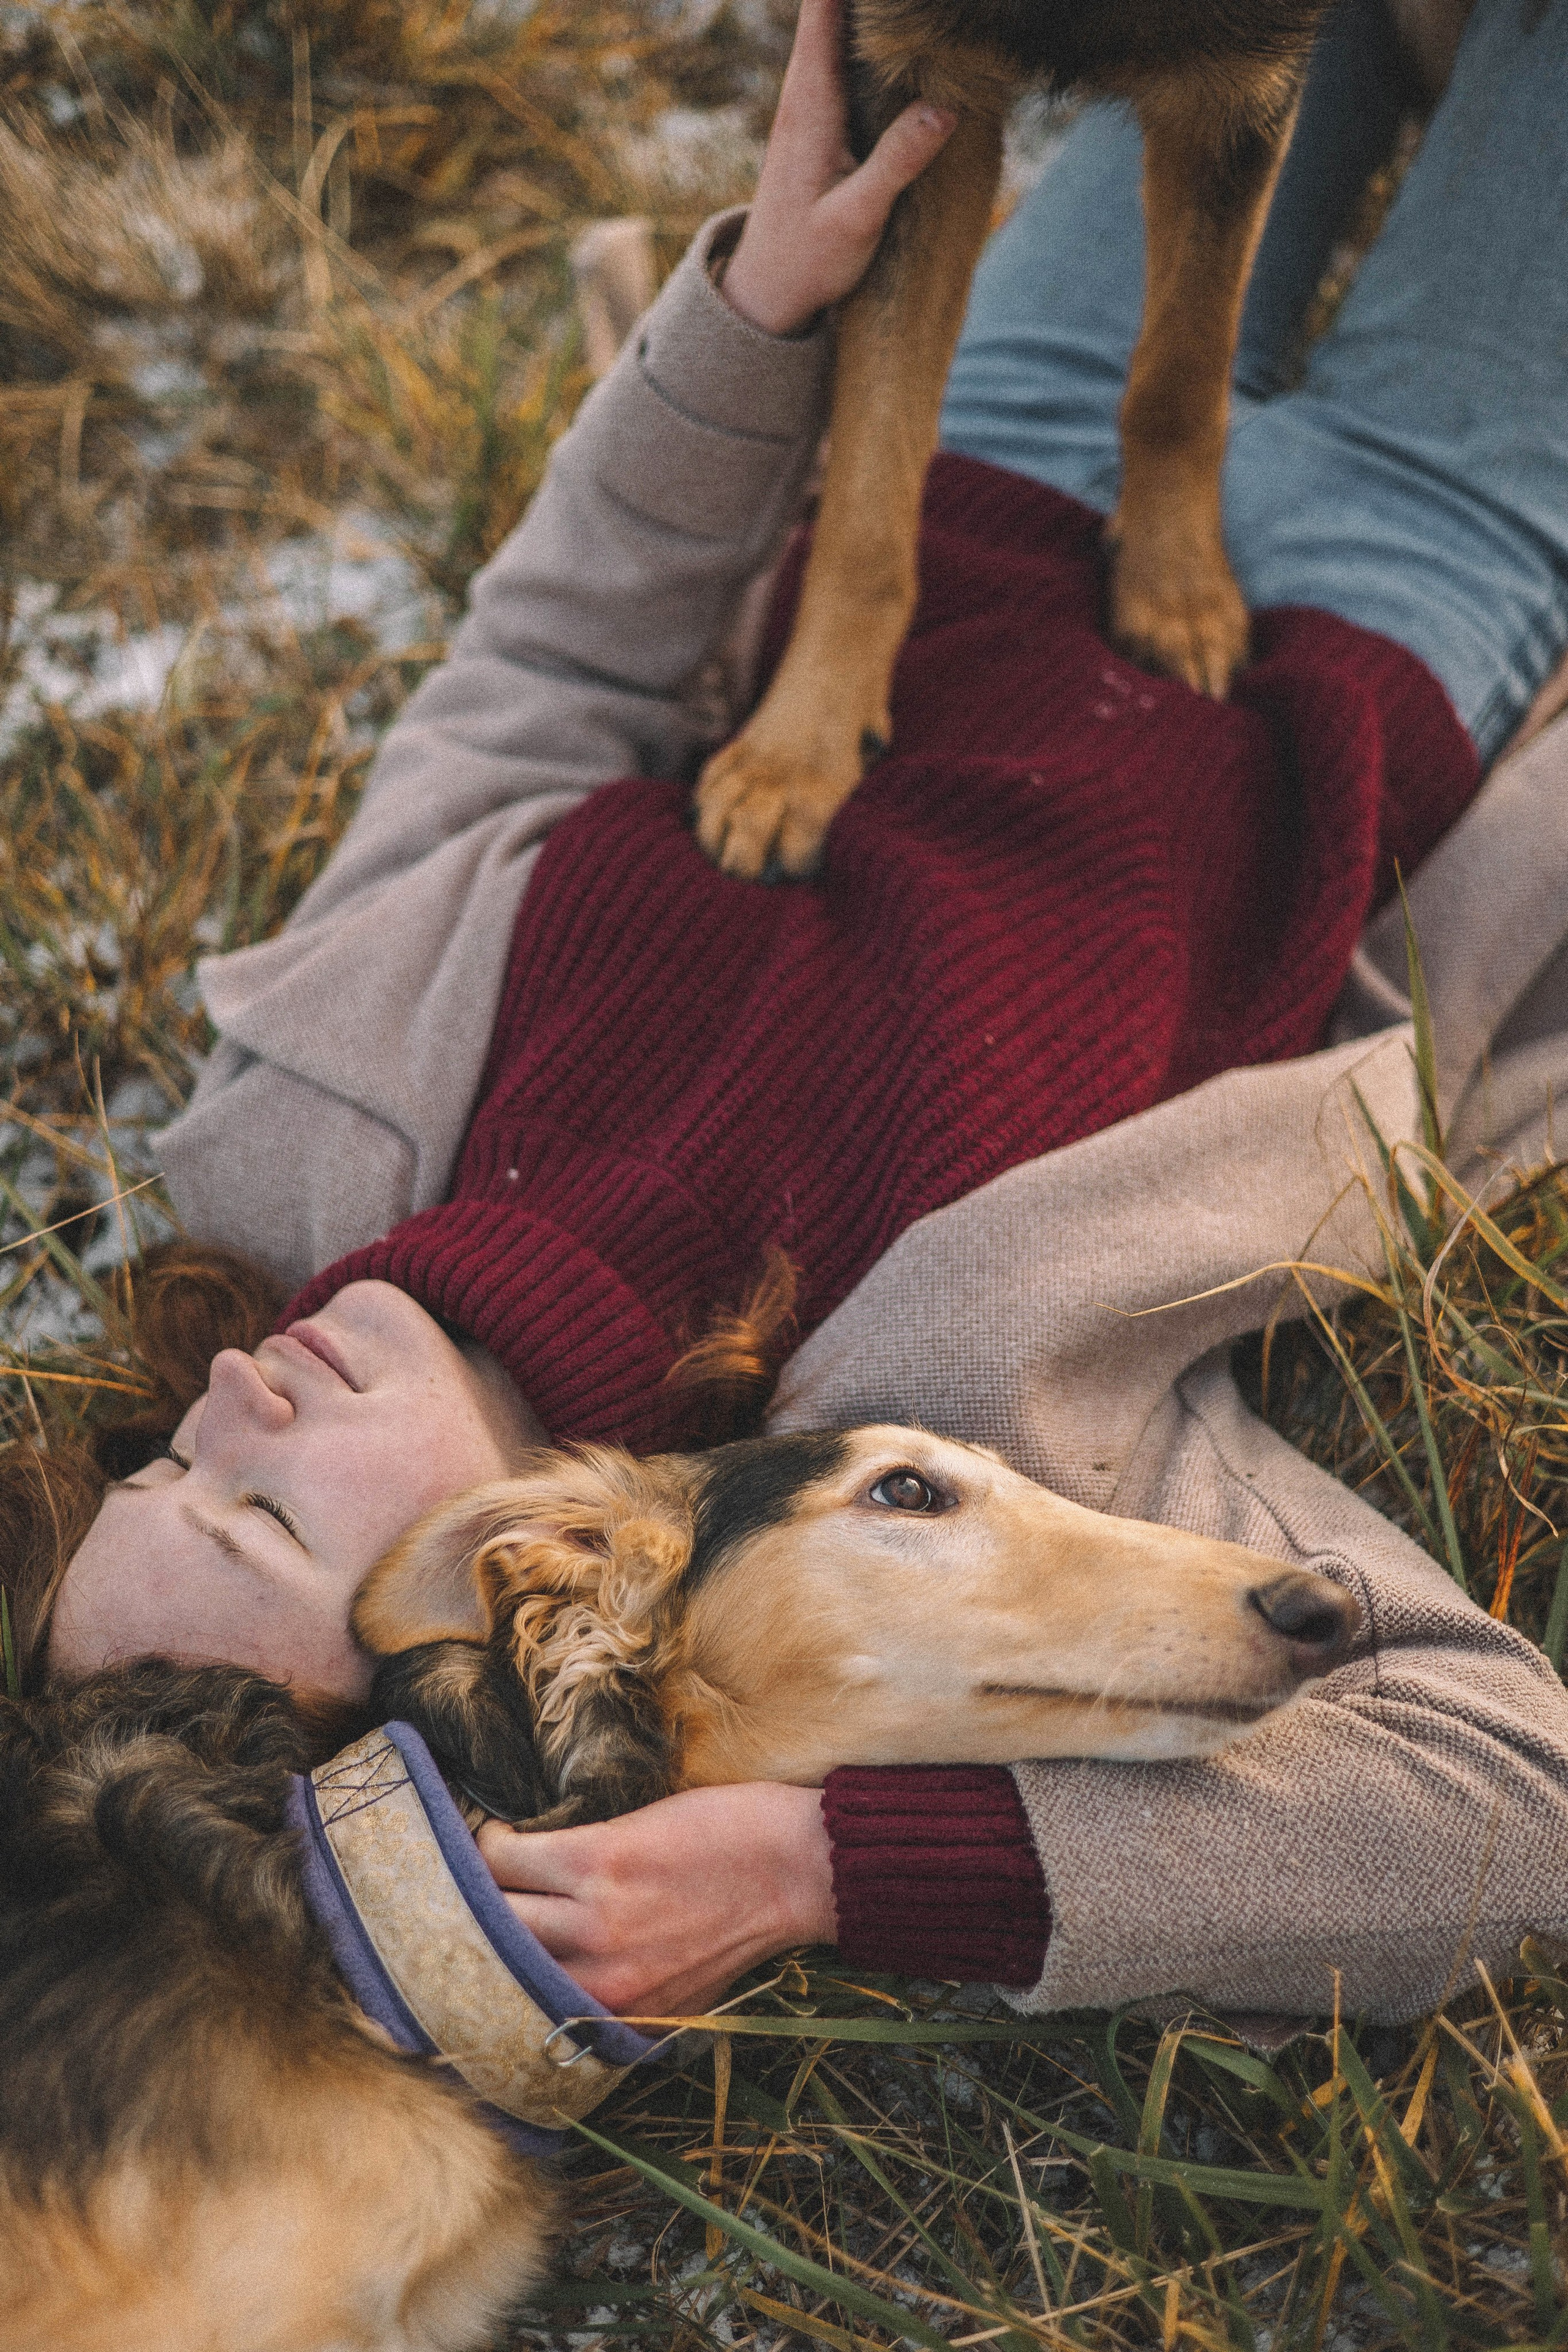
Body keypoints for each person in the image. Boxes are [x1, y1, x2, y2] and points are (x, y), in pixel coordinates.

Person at [12, 0, 1568, 2026]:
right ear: (504, 1619)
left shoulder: (293, 1137)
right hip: (1385, 605)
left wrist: (761, 308)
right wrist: (822, 1866)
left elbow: (552, 659)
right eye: (262, 1523)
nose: (229, 1406)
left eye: (158, 1469)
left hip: (958, 456)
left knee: (1207, 36)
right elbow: (1502, 1795)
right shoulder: (930, 1449)